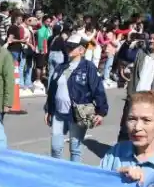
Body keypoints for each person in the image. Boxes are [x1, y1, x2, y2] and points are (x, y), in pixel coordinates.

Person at [44, 34, 107, 162]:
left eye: (72, 47)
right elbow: (52, 91)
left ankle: (73, 176)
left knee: (75, 149)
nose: (68, 49)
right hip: (58, 114)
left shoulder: (88, 67)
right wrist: (48, 110)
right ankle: (56, 172)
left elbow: (98, 89)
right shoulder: (60, 67)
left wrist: (101, 112)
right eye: (67, 47)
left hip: (78, 113)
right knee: (56, 148)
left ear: (81, 50)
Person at [118, 26, 154, 141]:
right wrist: (128, 42)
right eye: (150, 38)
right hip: (134, 98)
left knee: (147, 134)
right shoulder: (141, 53)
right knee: (126, 131)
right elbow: (124, 56)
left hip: (151, 102)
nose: (151, 41)